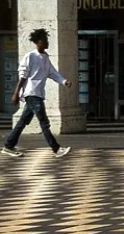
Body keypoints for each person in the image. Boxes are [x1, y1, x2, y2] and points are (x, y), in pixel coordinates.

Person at [3, 29, 72, 159]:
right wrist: (16, 93)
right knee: (44, 122)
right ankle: (56, 149)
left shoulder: (45, 57)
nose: (47, 43)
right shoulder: (31, 56)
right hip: (32, 94)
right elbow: (22, 76)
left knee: (22, 122)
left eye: (47, 40)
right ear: (37, 42)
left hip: (37, 94)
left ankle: (8, 145)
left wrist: (64, 81)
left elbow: (52, 73)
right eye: (44, 41)